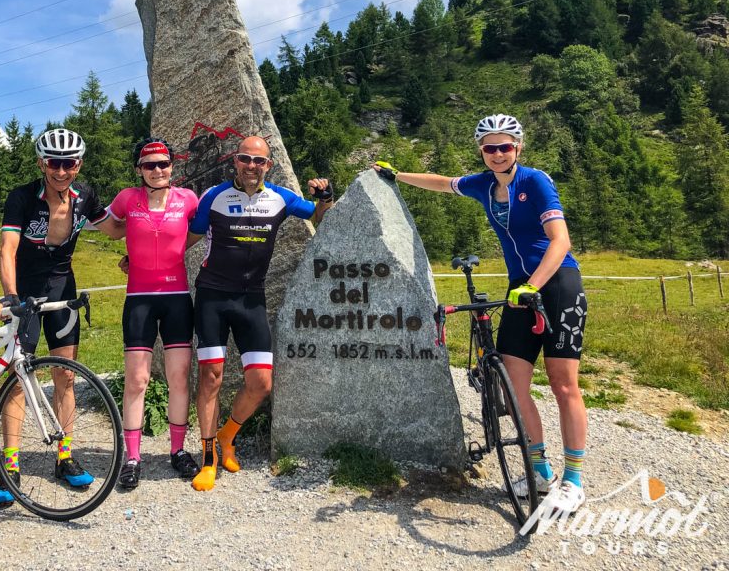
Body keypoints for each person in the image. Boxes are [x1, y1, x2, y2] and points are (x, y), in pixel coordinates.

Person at [373, 114, 588, 515]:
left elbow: (561, 241)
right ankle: (539, 469)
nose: (497, 154)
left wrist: (533, 285)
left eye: (505, 146)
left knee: (563, 384)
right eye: (489, 147)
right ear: (482, 151)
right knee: (512, 384)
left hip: (556, 284)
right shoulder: (483, 185)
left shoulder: (535, 181)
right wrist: (396, 174)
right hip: (519, 289)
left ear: (518, 148)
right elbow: (442, 182)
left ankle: (574, 480)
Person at [187, 135, 334, 491]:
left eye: (259, 161)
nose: (251, 166)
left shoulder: (280, 198)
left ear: (269, 165)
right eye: (245, 159)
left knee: (261, 383)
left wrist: (325, 196)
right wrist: (145, 258)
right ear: (234, 162)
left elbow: (316, 215)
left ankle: (227, 436)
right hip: (212, 296)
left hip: (252, 299)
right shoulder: (214, 196)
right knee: (211, 377)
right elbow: (187, 238)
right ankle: (207, 459)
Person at [0, 127, 123, 506]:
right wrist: (10, 296)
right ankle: (11, 465)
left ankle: (64, 457)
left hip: (62, 288)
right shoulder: (21, 197)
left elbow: (112, 229)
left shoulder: (86, 197)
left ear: (78, 164)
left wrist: (146, 216)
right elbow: (7, 249)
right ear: (41, 163)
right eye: (54, 163)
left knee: (65, 376)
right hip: (26, 291)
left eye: (68, 163)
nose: (61, 171)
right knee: (18, 380)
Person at [106, 138, 203, 489]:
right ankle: (132, 457)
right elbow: (108, 226)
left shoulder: (188, 199)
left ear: (172, 167)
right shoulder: (126, 199)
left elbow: (198, 231)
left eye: (164, 164)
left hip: (177, 297)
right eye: (150, 165)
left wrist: (173, 252)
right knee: (137, 380)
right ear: (139, 170)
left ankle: (177, 451)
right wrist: (133, 254)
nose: (158, 170)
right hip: (140, 299)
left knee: (179, 378)